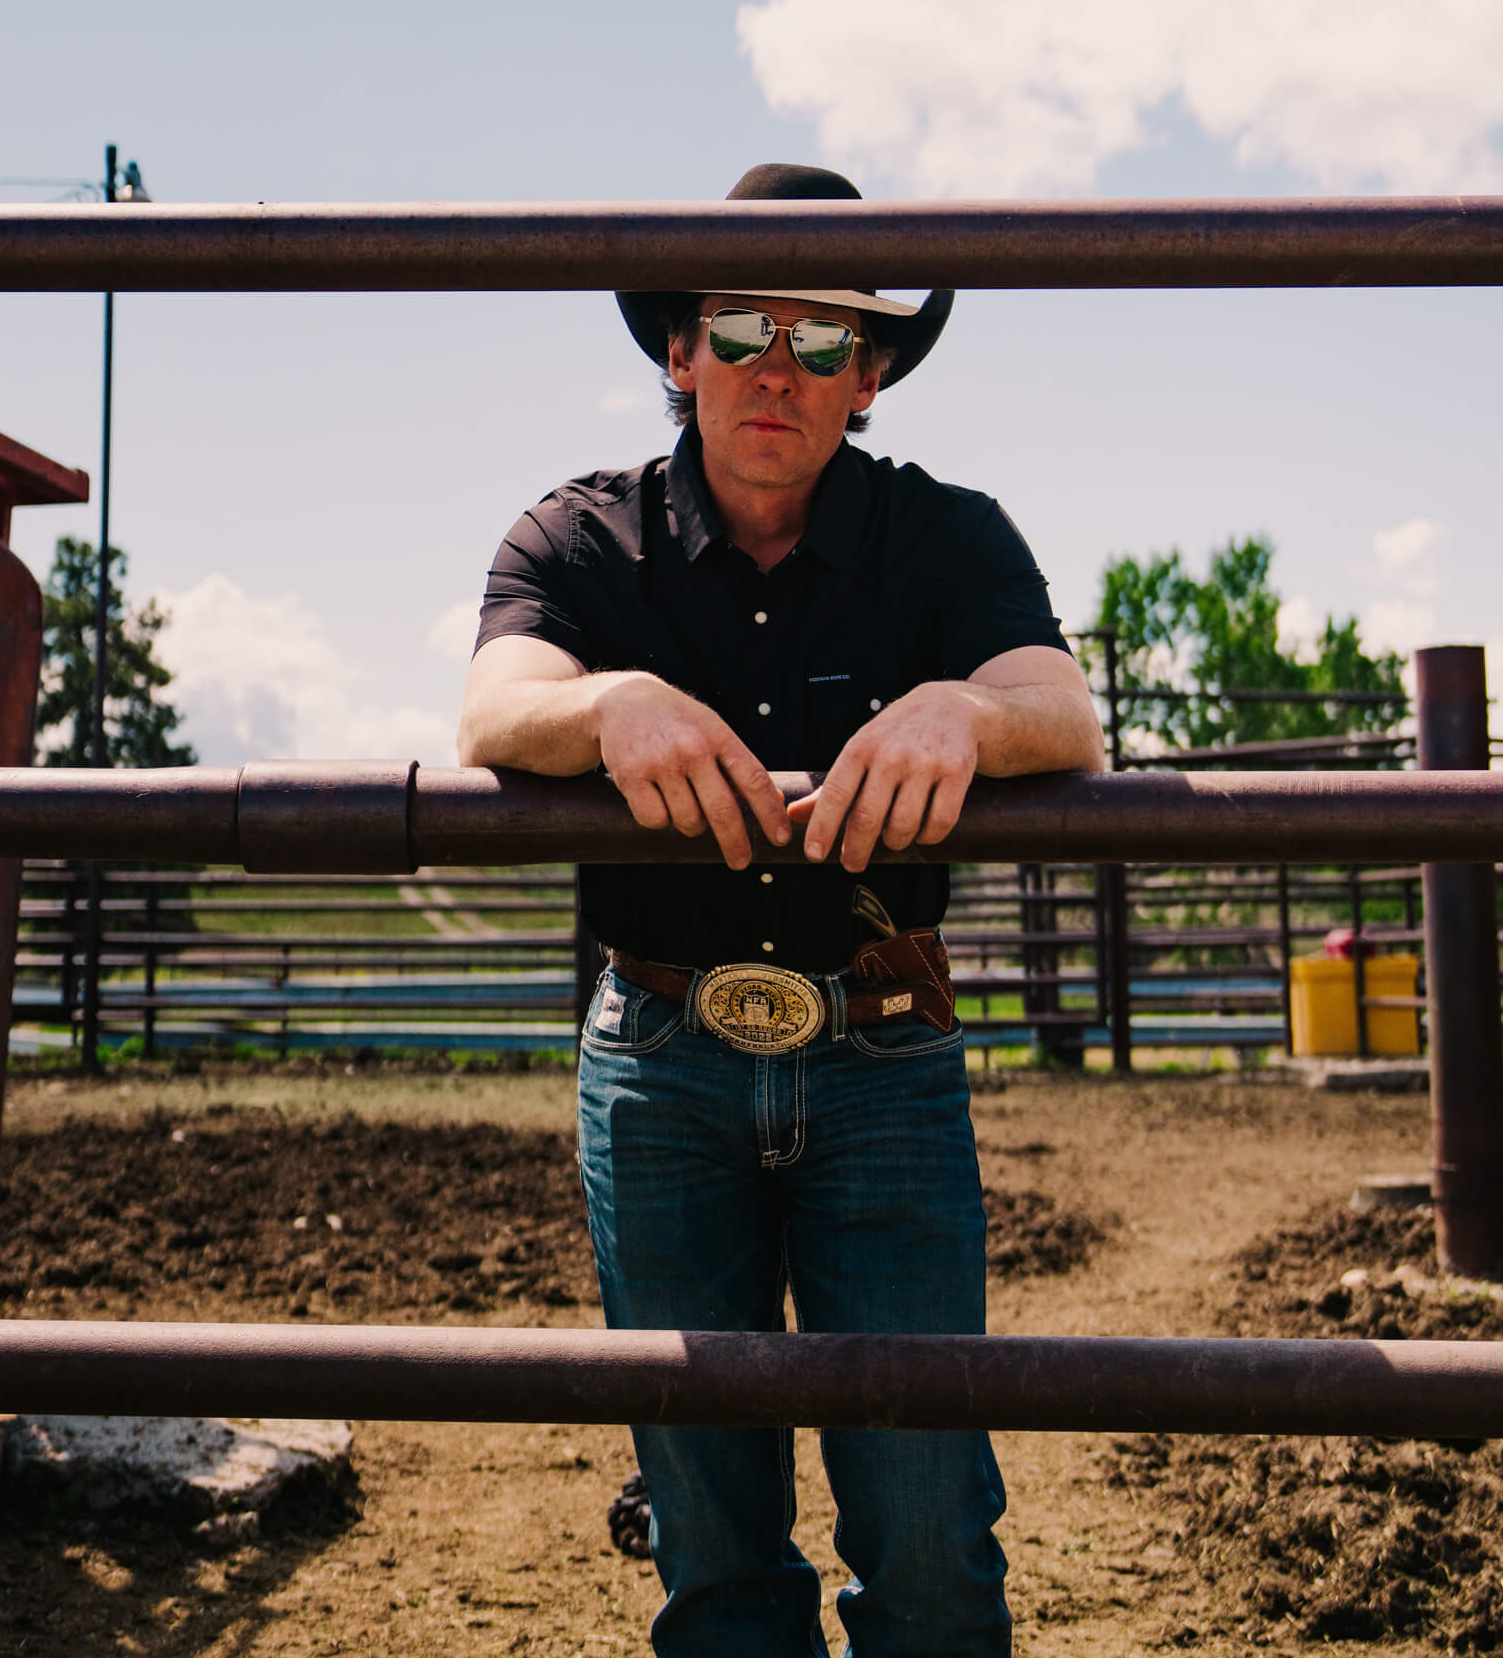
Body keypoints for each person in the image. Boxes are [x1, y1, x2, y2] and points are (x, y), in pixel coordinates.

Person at [458, 162, 1105, 1658]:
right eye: (743, 325)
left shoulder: (946, 539)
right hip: (661, 1047)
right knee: (711, 1530)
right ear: (677, 351)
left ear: (868, 381)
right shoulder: (574, 539)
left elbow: (1057, 706)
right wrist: (612, 702)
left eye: (825, 341)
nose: (777, 368)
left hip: (883, 1039)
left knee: (931, 1525)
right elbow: (497, 702)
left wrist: (962, 709)